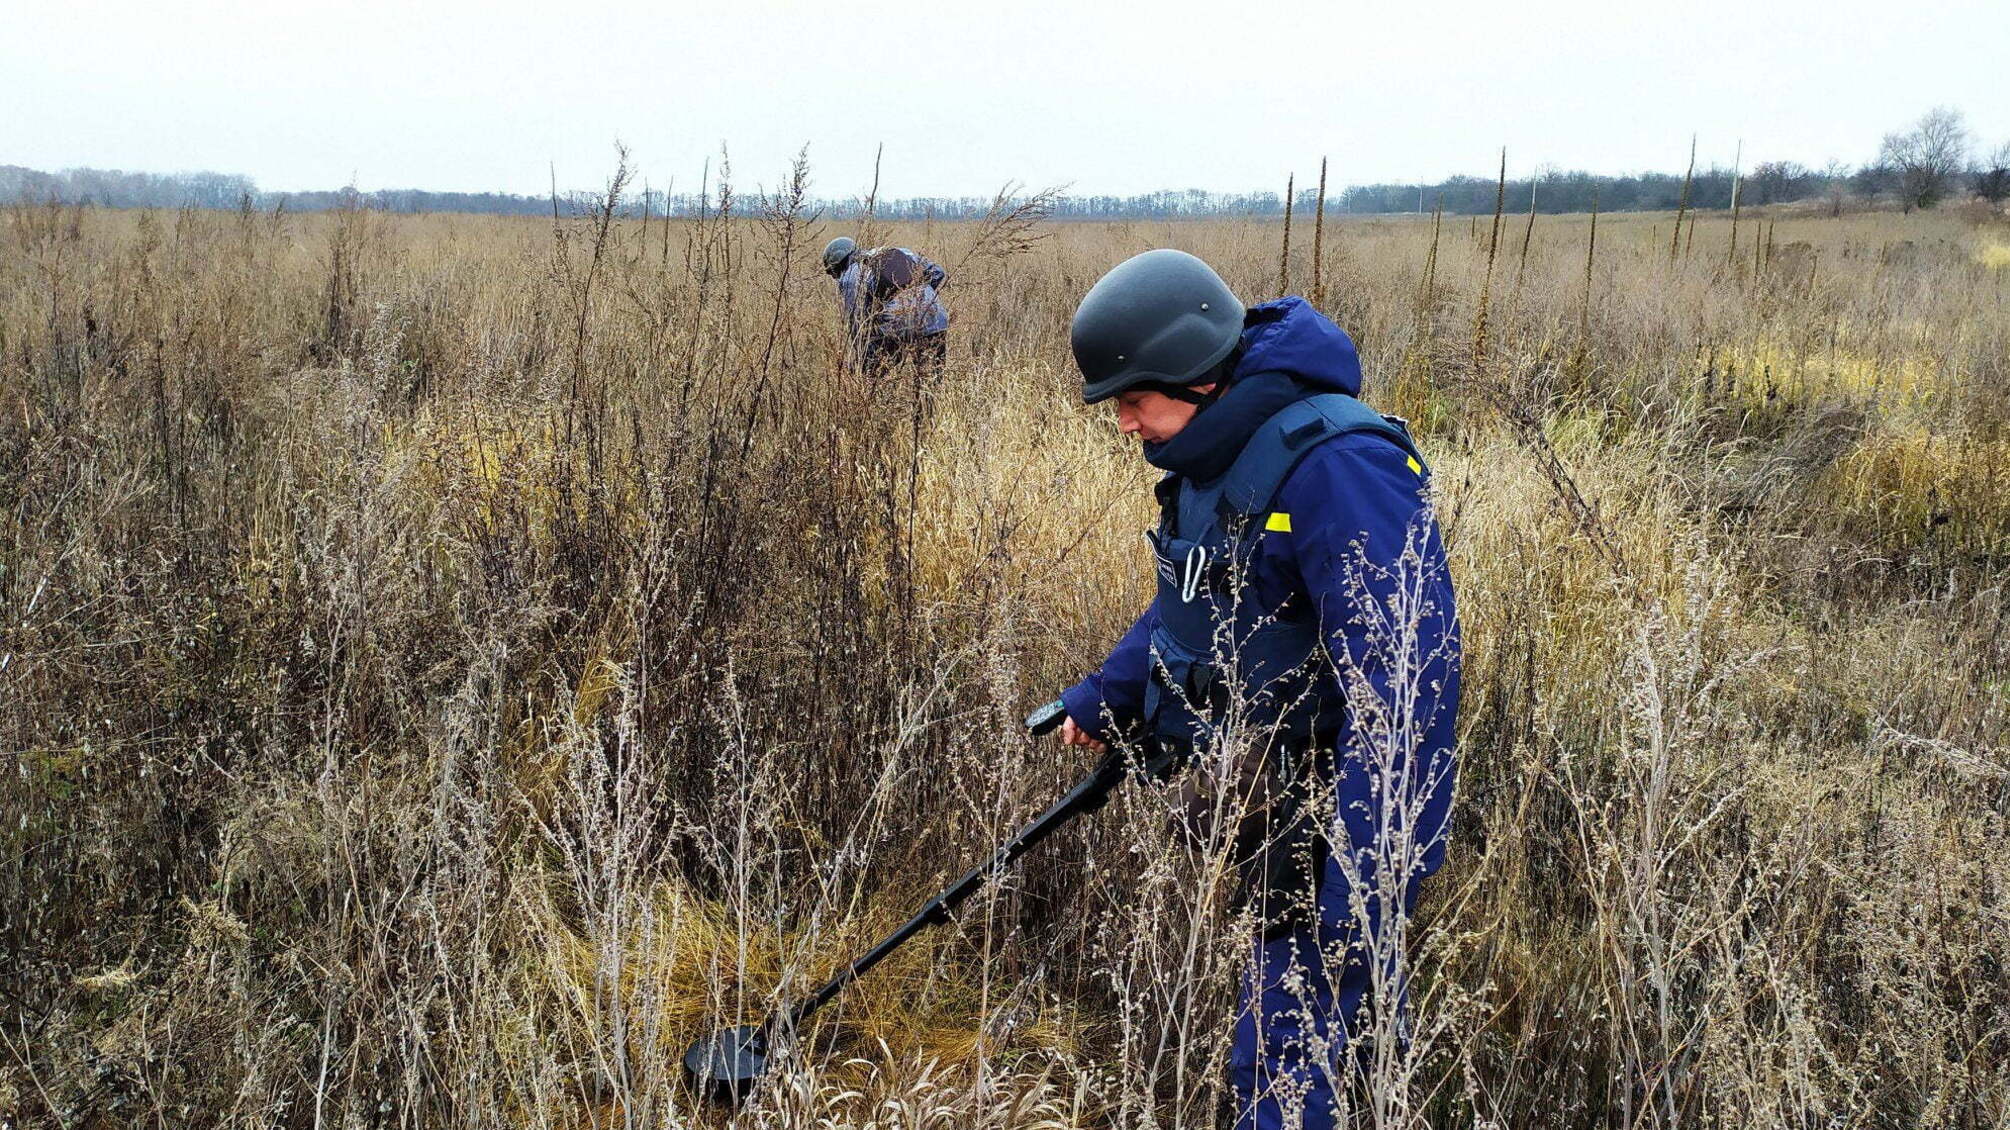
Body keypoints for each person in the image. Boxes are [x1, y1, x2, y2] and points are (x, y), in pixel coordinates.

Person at [1051, 249, 1461, 1129]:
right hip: (1269, 797)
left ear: (1199, 379)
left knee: (1284, 1060)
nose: (1124, 425)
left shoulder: (1340, 467)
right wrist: (1105, 693)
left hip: (1335, 818)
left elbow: (1409, 685)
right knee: (1282, 1048)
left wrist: (1369, 872)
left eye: (1133, 400)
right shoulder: (1223, 461)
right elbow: (1204, 603)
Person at [821, 236, 949, 377]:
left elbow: (858, 324)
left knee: (869, 371)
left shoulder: (850, 276)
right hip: (937, 316)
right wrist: (920, 298)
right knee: (931, 381)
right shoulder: (900, 252)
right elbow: (937, 272)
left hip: (901, 323)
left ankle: (871, 391)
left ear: (838, 265)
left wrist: (860, 360)